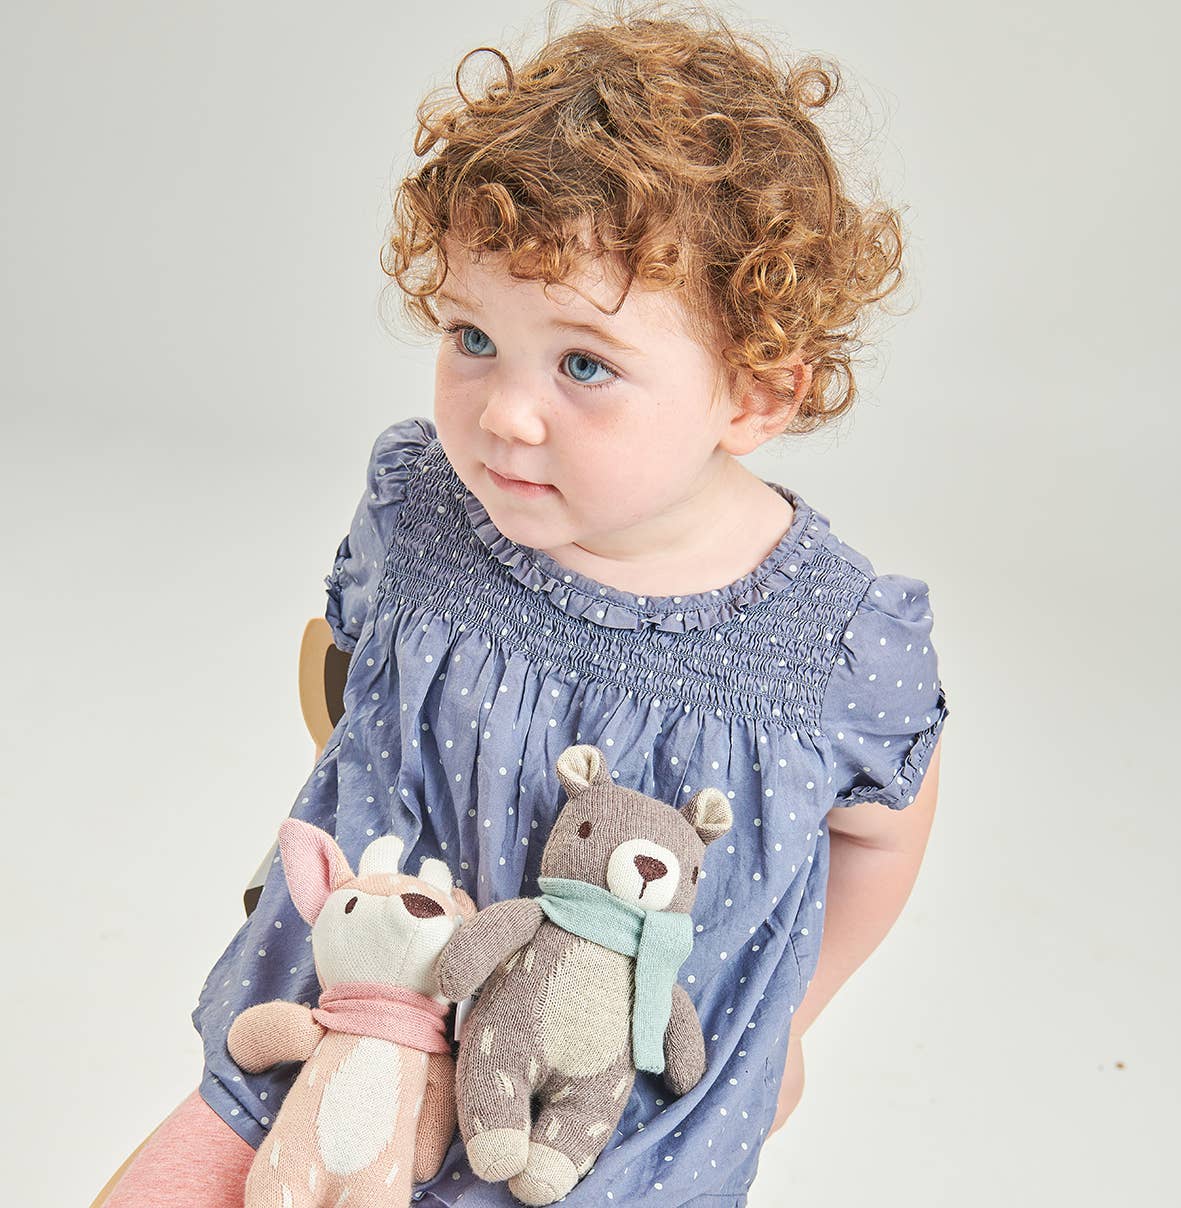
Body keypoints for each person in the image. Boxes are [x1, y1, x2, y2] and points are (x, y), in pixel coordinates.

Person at [100, 3, 950, 1205]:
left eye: (584, 363)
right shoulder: (424, 509)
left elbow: (880, 829)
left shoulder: (828, 639)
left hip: (600, 1122)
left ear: (755, 393)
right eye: (470, 334)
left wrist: (793, 1016)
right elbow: (357, 704)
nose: (503, 411)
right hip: (349, 1021)